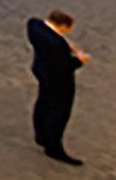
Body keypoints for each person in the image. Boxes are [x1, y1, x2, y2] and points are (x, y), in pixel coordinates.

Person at [26, 11, 87, 164]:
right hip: (58, 80)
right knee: (59, 113)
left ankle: (41, 136)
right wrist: (80, 60)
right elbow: (65, 67)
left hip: (42, 72)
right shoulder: (56, 45)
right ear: (62, 26)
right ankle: (53, 148)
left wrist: (65, 45)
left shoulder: (35, 25)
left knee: (43, 103)